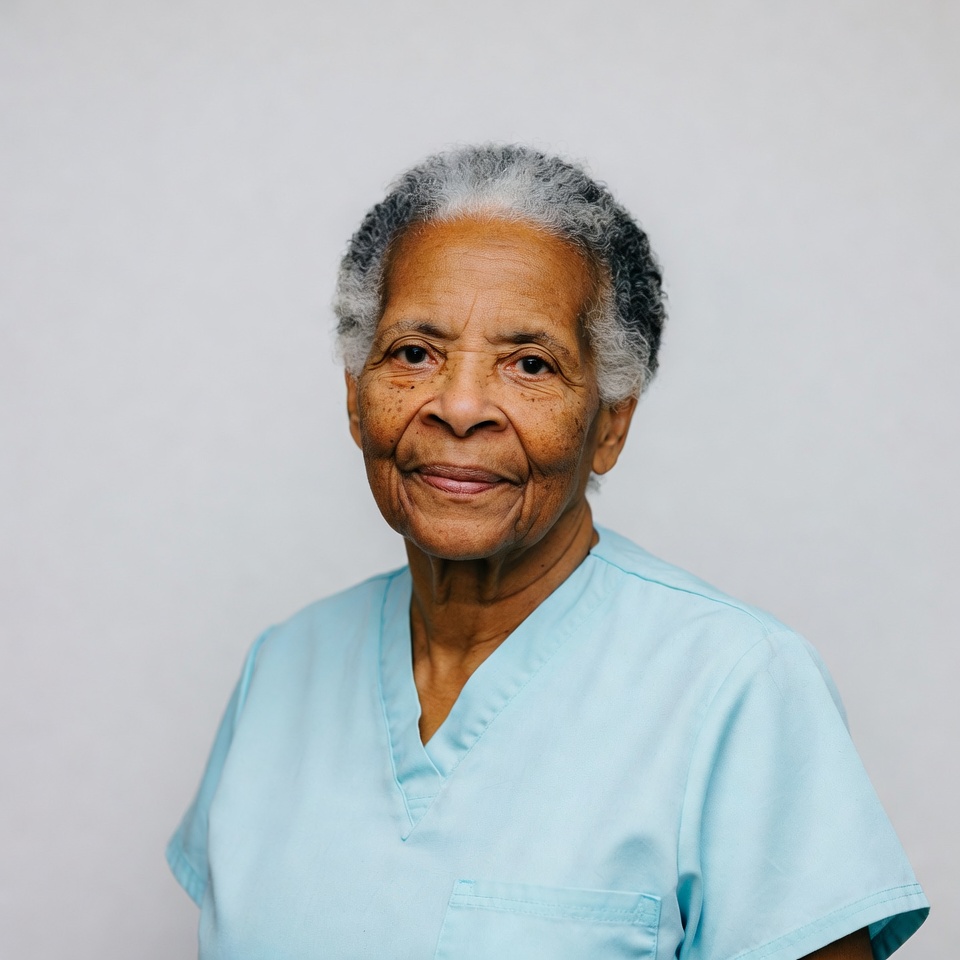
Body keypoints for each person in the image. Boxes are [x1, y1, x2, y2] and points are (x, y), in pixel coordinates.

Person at [167, 145, 928, 959]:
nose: (459, 407)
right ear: (356, 400)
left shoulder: (738, 684)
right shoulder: (281, 668)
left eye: (530, 364)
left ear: (610, 423)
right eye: (414, 353)